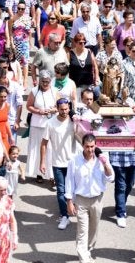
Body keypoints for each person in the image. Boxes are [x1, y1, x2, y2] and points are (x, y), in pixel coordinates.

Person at [65, 133, 114, 263]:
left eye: (92, 146)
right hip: (81, 200)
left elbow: (111, 177)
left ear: (95, 145)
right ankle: (83, 257)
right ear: (82, 146)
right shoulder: (74, 161)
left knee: (94, 228)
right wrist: (69, 202)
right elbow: (69, 182)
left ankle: (88, 250)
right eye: (87, 146)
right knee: (82, 230)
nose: (90, 149)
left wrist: (105, 164)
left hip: (97, 200)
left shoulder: (102, 159)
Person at [40, 98, 78, 230]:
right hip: (57, 162)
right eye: (61, 109)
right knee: (61, 190)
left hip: (73, 162)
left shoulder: (74, 122)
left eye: (66, 109)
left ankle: (75, 209)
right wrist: (42, 162)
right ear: (57, 108)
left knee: (74, 189)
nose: (64, 111)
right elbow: (44, 143)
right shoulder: (50, 123)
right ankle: (64, 216)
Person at [26, 70, 58, 182]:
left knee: (50, 149)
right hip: (37, 124)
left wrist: (53, 110)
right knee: (37, 148)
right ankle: (39, 173)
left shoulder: (55, 91)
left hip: (51, 124)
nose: (45, 84)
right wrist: (38, 111)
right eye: (43, 81)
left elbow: (60, 106)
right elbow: (28, 106)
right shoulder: (34, 91)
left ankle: (52, 175)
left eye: (47, 81)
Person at [69, 33, 100, 100]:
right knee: (77, 103)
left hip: (88, 83)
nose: (83, 44)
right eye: (80, 43)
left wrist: (97, 77)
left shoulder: (89, 52)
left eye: (84, 42)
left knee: (89, 102)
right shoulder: (70, 53)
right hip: (76, 84)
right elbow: (67, 69)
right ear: (75, 43)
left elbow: (95, 66)